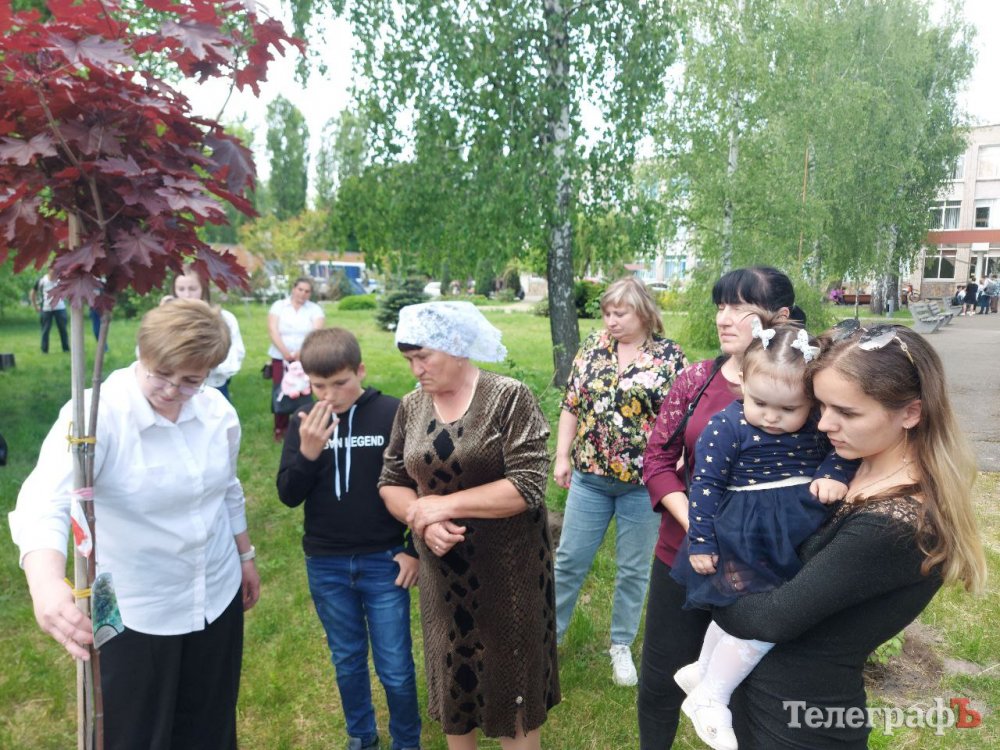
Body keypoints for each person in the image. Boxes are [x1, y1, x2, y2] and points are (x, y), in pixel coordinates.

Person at [714, 321, 986, 748]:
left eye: (847, 412)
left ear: (911, 413)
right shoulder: (848, 468)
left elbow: (773, 617)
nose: (824, 424)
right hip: (764, 703)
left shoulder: (894, 524)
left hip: (800, 725)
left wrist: (705, 588)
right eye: (821, 406)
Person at [10, 299, 260, 749]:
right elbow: (45, 499)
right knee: (135, 735)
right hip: (131, 609)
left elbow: (227, 488)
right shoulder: (96, 416)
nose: (172, 390)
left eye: (191, 381)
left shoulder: (217, 414)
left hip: (214, 593)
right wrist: (45, 583)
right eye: (161, 374)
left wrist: (245, 556)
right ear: (142, 353)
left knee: (210, 727)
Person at [668, 319, 857, 750]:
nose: (771, 417)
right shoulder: (725, 427)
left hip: (791, 532)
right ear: (742, 383)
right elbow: (705, 486)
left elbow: (842, 453)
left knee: (754, 607)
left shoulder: (817, 425)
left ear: (812, 401)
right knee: (761, 616)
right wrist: (701, 540)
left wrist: (833, 472)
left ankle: (703, 671)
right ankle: (711, 697)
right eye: (760, 403)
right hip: (745, 534)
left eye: (788, 409)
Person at [378, 301, 559, 750]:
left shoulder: (508, 398)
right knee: (455, 680)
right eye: (409, 360)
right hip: (444, 577)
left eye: (424, 357)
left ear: (457, 346)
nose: (416, 369)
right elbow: (391, 481)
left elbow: (527, 485)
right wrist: (420, 520)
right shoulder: (411, 406)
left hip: (510, 575)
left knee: (513, 688)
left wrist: (440, 506)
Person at [637, 266, 803, 749]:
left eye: (739, 308)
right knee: (662, 680)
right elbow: (657, 459)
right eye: (720, 306)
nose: (723, 318)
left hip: (767, 566)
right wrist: (701, 524)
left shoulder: (804, 384)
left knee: (751, 686)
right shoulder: (696, 379)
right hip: (684, 553)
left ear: (780, 317)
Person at [276, 327, 422, 750]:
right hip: (326, 563)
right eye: (318, 386)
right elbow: (288, 495)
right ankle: (361, 736)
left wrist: (412, 549)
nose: (330, 395)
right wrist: (307, 453)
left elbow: (421, 485)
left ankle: (406, 741)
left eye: (340, 383)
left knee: (395, 666)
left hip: (384, 560)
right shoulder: (305, 421)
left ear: (360, 370)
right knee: (347, 660)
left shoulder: (393, 413)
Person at [552, 277, 687, 685]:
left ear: (643, 313)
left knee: (633, 569)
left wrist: (677, 464)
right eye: (607, 313)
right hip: (589, 478)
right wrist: (562, 455)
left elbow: (680, 418)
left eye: (620, 313)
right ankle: (548, 638)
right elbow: (571, 405)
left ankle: (621, 645)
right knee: (569, 561)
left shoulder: (669, 357)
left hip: (642, 485)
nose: (611, 321)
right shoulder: (592, 347)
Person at [165, 266, 246, 401]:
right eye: (181, 289)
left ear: (203, 288)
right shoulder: (167, 318)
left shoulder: (224, 319)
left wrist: (201, 368)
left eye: (192, 289)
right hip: (174, 390)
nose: (187, 295)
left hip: (213, 387)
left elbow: (234, 358)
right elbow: (149, 355)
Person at [268, 277, 325, 441]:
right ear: (293, 289)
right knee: (281, 390)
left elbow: (316, 331)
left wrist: (301, 352)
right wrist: (285, 352)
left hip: (305, 356)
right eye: (300, 289)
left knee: (304, 390)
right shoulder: (279, 306)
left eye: (307, 291)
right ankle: (280, 428)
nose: (303, 294)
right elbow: (272, 330)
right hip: (280, 356)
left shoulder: (315, 309)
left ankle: (303, 426)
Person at [30, 268, 69, 353]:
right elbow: (33, 293)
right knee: (45, 330)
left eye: (56, 271)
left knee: (63, 329)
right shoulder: (42, 281)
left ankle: (66, 348)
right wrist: (35, 306)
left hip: (60, 308)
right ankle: (44, 350)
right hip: (46, 309)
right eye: (53, 270)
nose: (54, 273)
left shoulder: (60, 280)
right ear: (49, 270)